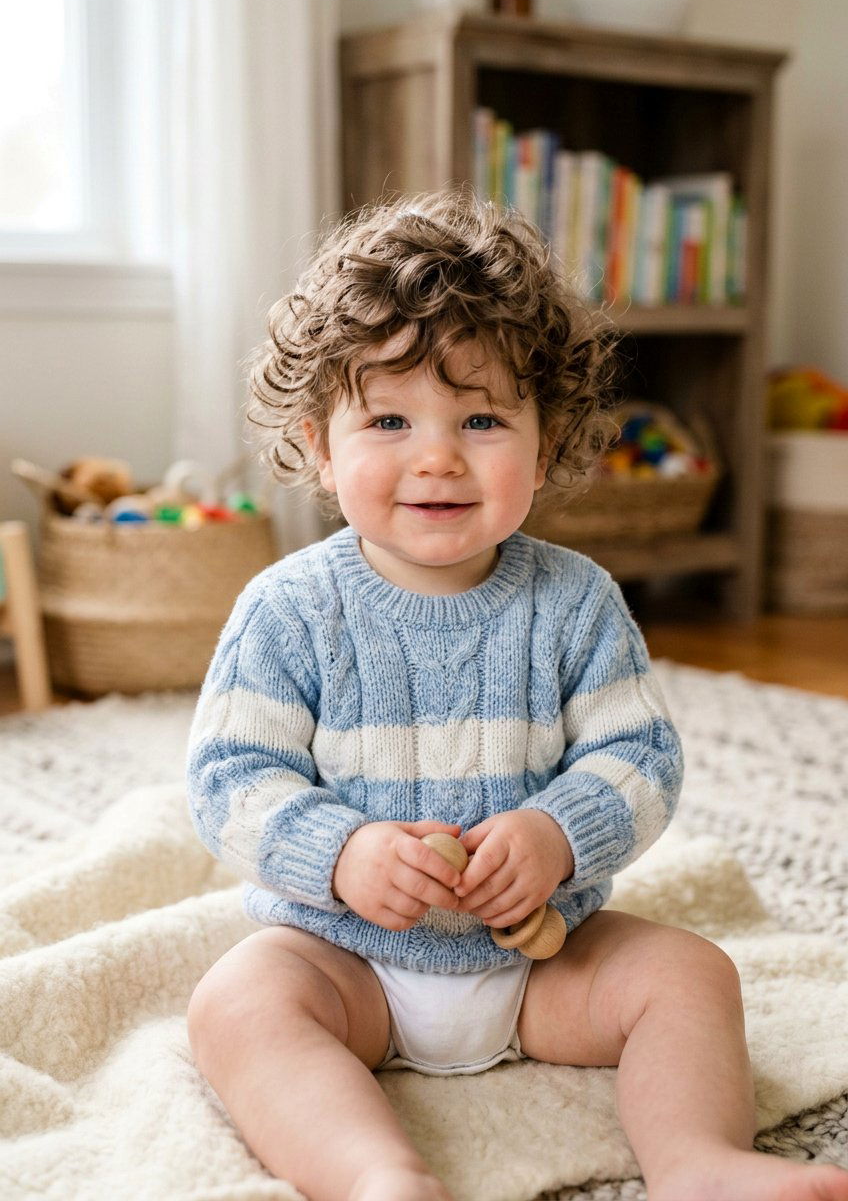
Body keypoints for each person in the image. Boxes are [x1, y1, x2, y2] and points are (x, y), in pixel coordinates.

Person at [185, 188, 848, 1201]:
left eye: (482, 417)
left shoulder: (573, 602)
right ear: (321, 443)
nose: (437, 455)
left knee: (689, 974)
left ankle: (696, 1164)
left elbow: (641, 758)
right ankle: (377, 1176)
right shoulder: (287, 609)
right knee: (237, 1003)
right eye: (390, 417)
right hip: (347, 962)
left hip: (544, 960)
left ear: (546, 444)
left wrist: (555, 833)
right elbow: (230, 779)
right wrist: (345, 852)